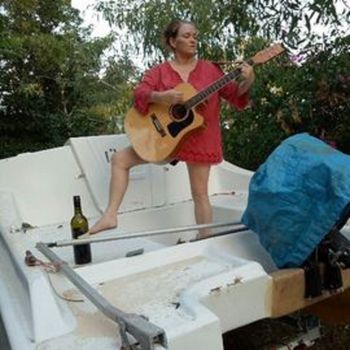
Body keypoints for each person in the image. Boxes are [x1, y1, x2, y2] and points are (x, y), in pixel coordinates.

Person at [90, 19, 255, 238]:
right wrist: (161, 96)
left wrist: (248, 80)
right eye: (186, 36)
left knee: (200, 195)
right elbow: (139, 94)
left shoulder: (210, 70)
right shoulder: (160, 72)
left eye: (195, 35)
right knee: (120, 160)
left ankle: (204, 240)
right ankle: (110, 216)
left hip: (200, 136)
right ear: (172, 41)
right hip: (165, 137)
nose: (193, 39)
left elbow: (236, 96)